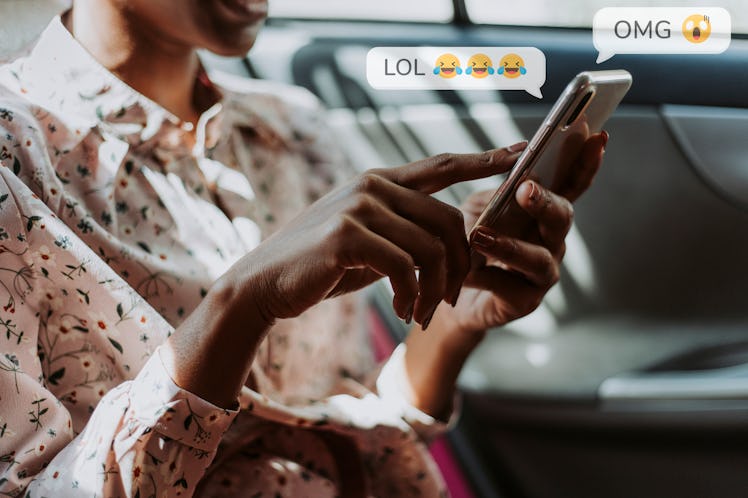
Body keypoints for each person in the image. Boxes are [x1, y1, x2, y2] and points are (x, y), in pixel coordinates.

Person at [0, 0, 606, 496]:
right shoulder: (16, 164)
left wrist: (451, 325)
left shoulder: (296, 131)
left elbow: (355, 423)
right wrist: (243, 303)